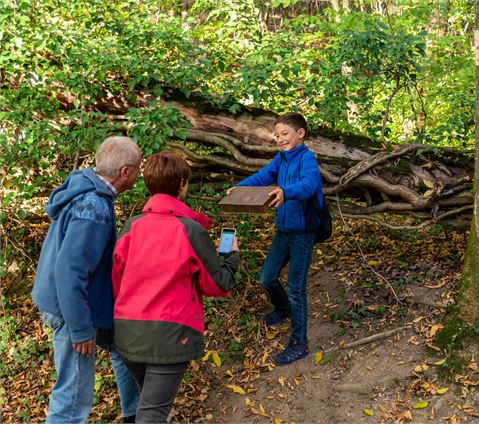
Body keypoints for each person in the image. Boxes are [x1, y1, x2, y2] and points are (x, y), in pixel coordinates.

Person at [112, 151, 240, 423]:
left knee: (150, 403)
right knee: (153, 412)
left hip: (128, 332)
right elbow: (218, 283)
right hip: (170, 335)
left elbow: (116, 281)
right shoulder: (189, 230)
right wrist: (232, 256)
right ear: (182, 183)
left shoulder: (132, 226)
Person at [31, 136, 141, 423]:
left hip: (80, 301)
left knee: (121, 348)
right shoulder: (93, 208)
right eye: (138, 169)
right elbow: (70, 271)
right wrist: (80, 329)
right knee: (72, 398)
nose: (139, 176)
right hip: (71, 309)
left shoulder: (86, 189)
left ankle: (135, 414)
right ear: (125, 172)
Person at [228, 112, 324, 365]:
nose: (280, 139)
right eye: (277, 135)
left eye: (285, 134)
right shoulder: (280, 159)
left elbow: (309, 185)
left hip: (303, 233)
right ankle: (283, 310)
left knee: (296, 289)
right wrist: (241, 187)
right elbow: (262, 177)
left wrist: (285, 191)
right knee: (267, 277)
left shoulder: (307, 158)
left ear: (300, 134)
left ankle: (299, 344)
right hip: (283, 231)